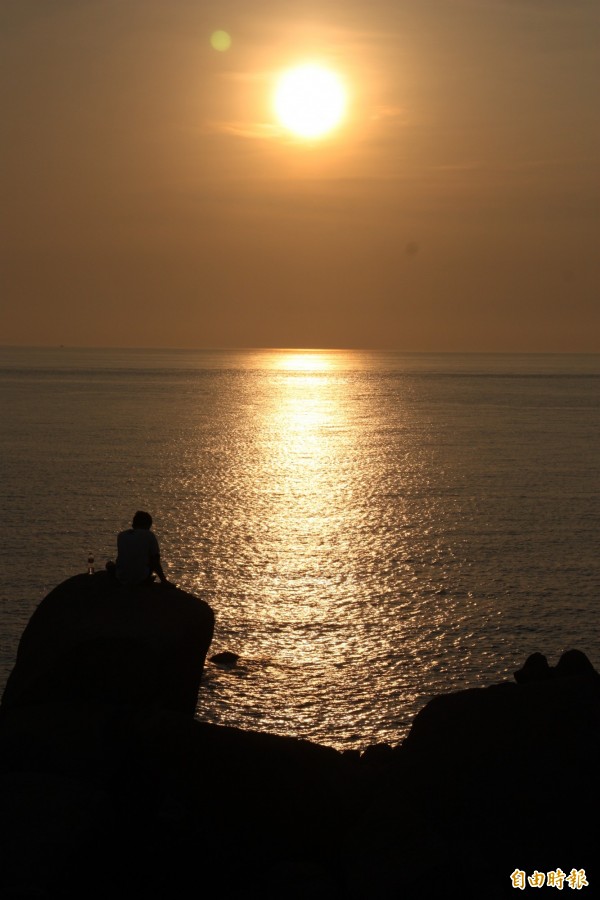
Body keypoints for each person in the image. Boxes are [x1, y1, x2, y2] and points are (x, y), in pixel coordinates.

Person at [114, 511, 172, 588]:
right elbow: (155, 560)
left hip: (122, 577)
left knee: (111, 564)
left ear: (133, 524)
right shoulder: (149, 535)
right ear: (148, 525)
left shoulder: (121, 535)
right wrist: (163, 580)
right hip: (141, 578)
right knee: (153, 557)